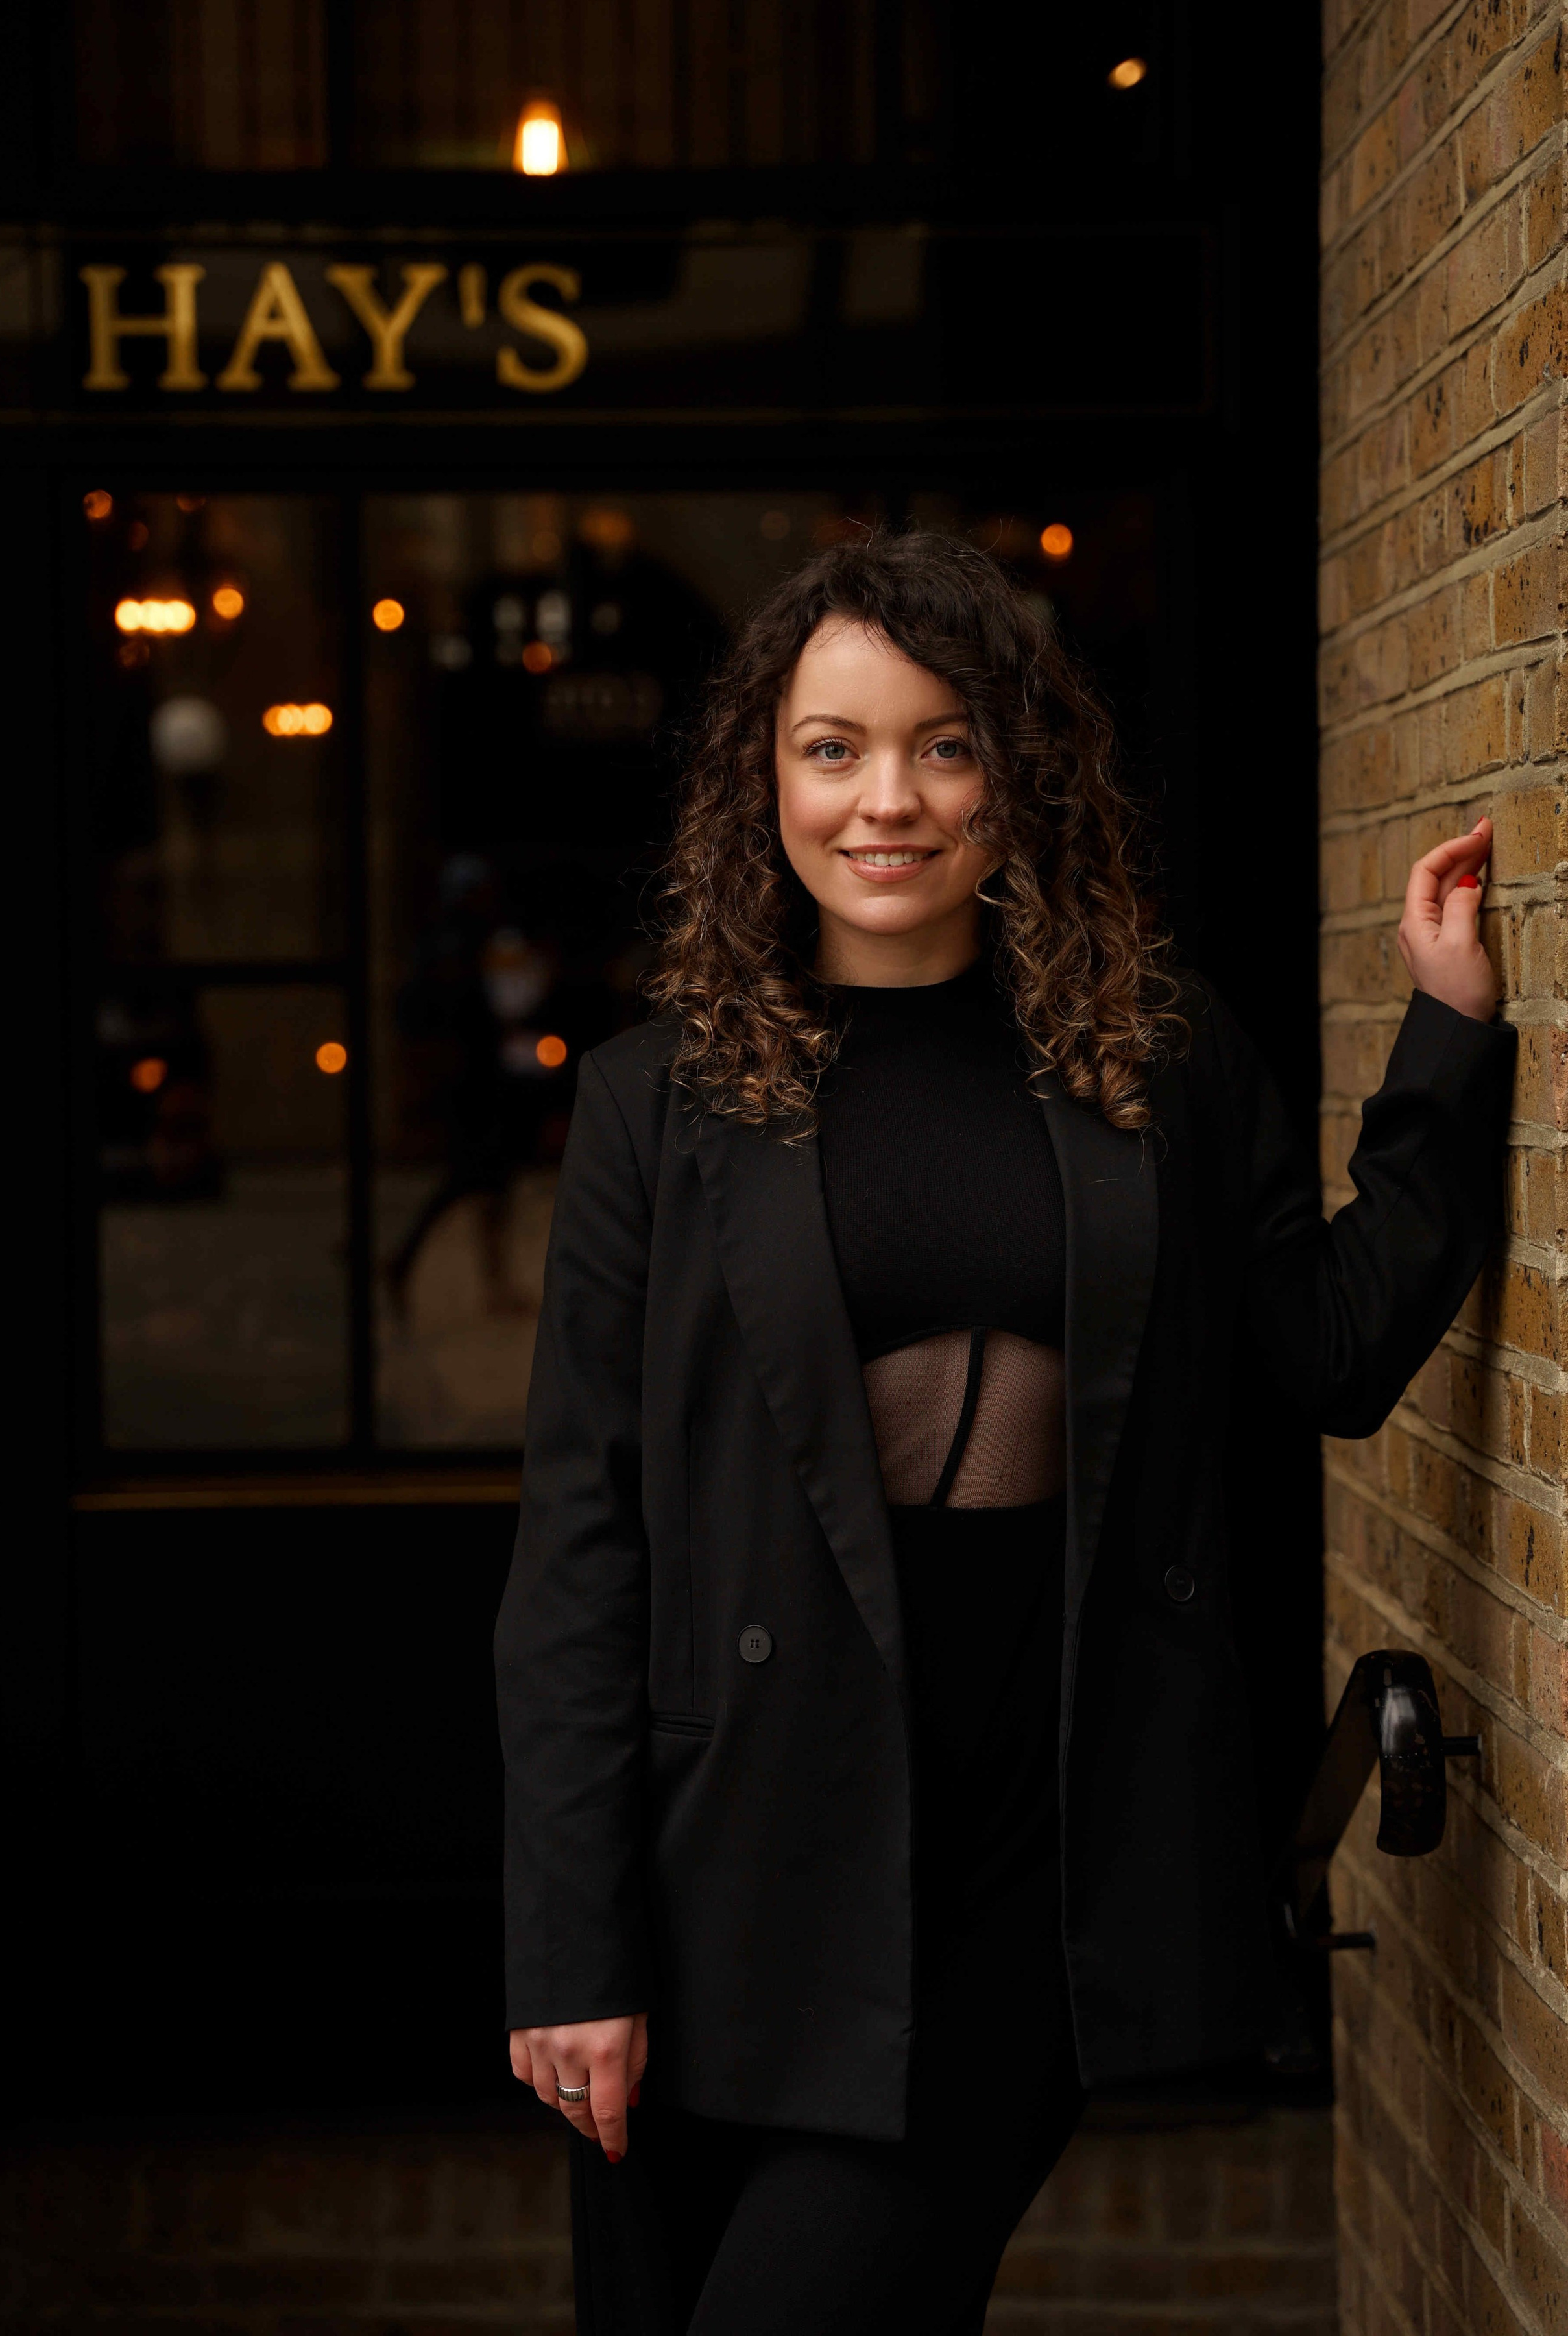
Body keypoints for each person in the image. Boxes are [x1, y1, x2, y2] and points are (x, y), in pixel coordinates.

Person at [494, 531, 1514, 2335]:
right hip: (723, 1878)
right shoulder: (655, 1107)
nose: (886, 800)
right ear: (765, 782)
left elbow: (1333, 1351)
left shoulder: (1160, 1056)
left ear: (1017, 774)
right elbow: (586, 1543)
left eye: (944, 745)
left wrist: (1446, 1042)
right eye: (832, 749)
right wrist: (575, 1952)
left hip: (1029, 1870)